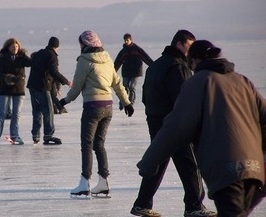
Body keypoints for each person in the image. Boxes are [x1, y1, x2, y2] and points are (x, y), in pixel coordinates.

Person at [137, 40, 266, 216]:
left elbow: (176, 127)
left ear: (195, 61)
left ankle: (193, 204)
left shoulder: (197, 82)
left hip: (226, 169)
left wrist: (148, 163)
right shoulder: (243, 81)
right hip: (256, 169)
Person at [131, 30, 216, 217]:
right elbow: (185, 99)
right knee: (190, 165)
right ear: (179, 44)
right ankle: (194, 206)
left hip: (155, 120)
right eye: (189, 46)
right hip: (176, 124)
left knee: (157, 161)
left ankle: (142, 203)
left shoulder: (155, 65)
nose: (191, 51)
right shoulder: (178, 66)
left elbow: (145, 96)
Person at [59, 30, 134, 197]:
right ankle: (103, 182)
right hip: (108, 107)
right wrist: (127, 102)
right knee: (99, 144)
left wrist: (64, 101)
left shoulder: (84, 61)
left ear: (85, 44)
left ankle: (85, 183)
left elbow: (77, 86)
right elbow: (117, 83)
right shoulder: (107, 59)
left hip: (92, 106)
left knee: (87, 145)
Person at [27, 36, 72, 144]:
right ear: (57, 47)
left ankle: (35, 135)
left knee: (37, 110)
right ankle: (48, 135)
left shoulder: (39, 53)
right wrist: (66, 81)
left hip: (32, 85)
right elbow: (54, 72)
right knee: (48, 111)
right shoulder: (52, 56)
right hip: (42, 86)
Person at [0, 38, 31, 145]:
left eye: (17, 47)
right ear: (8, 47)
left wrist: (24, 54)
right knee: (2, 113)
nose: (15, 48)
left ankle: (15, 135)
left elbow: (31, 63)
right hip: (5, 88)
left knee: (16, 113)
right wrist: (7, 77)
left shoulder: (22, 57)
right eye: (13, 47)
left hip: (18, 88)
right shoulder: (3, 58)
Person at [114, 33, 153, 104]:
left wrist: (153, 66)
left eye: (127, 40)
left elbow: (146, 58)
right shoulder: (123, 51)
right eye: (125, 40)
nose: (126, 42)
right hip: (126, 72)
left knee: (131, 87)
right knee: (124, 87)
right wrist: (113, 72)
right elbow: (118, 62)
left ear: (131, 40)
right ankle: (123, 102)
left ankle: (131, 102)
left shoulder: (137, 49)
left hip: (136, 72)